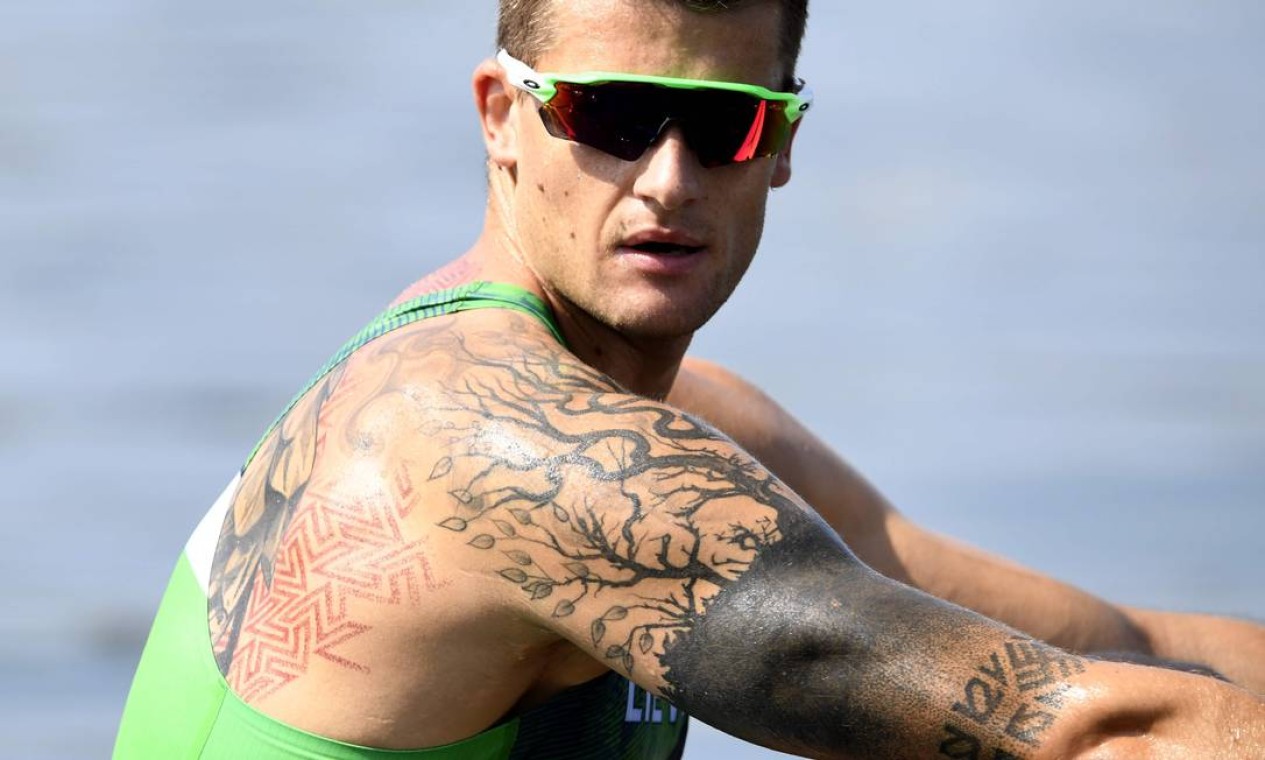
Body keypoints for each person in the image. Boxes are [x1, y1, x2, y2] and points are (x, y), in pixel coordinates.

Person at [114, 0, 1265, 757]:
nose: (668, 179)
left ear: (783, 142)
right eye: (612, 115)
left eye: (724, 124)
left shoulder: (683, 419)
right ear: (501, 116)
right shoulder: (499, 444)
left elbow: (1124, 642)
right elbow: (1077, 734)